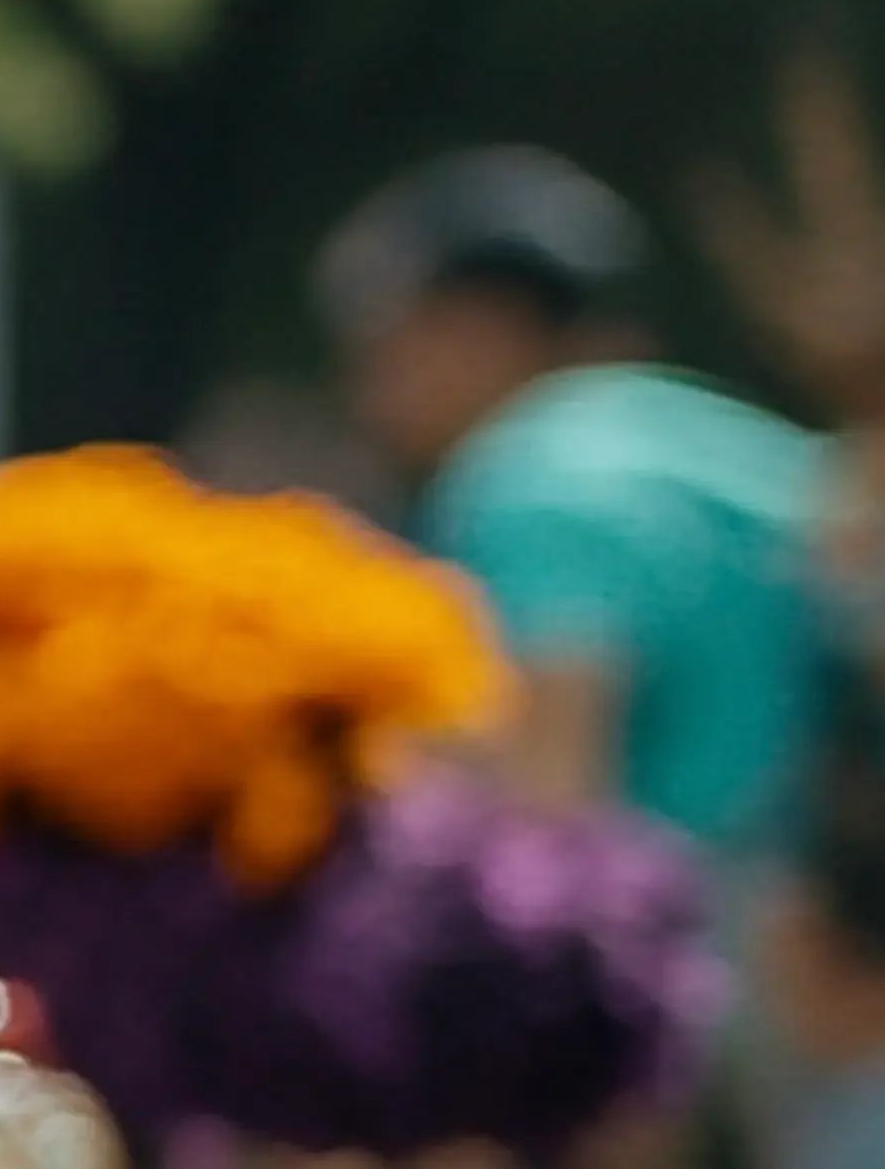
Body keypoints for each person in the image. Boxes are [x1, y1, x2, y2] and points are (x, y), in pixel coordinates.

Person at [325, 147, 831, 859]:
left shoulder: (533, 481)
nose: (365, 396)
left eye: (381, 347)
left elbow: (550, 817)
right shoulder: (695, 438)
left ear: (478, 327)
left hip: (738, 939)